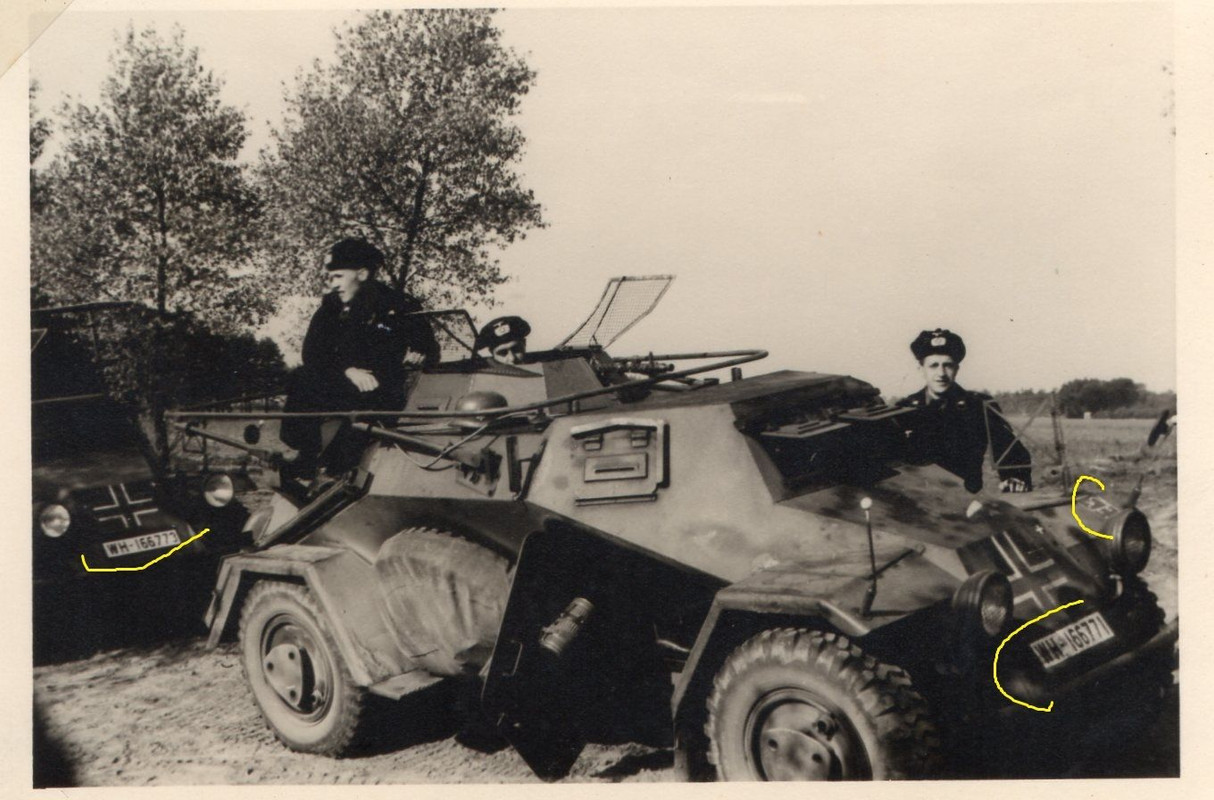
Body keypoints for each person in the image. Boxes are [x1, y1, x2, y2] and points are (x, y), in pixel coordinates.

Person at [279, 238, 439, 487]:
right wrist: (348, 370)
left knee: (366, 412)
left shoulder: (400, 306)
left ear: (362, 274)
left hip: (383, 387)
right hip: (342, 384)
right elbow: (312, 355)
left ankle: (339, 471)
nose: (332, 284)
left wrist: (419, 354)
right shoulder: (330, 309)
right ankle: (306, 459)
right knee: (301, 378)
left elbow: (430, 350)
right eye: (331, 277)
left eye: (338, 277)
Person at [897, 328, 1033, 494]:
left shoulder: (978, 406)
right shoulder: (903, 409)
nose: (941, 373)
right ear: (921, 370)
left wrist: (1014, 477)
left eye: (947, 366)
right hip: (919, 500)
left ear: (957, 369)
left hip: (966, 501)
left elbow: (1008, 446)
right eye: (933, 366)